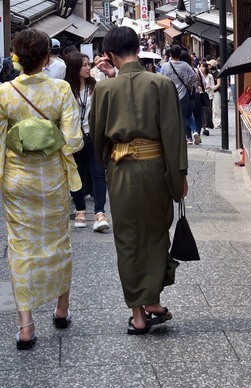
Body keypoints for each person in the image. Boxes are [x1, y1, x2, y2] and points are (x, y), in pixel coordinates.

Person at [0, 28, 83, 349]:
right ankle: (61, 309)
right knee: (57, 241)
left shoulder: (4, 94)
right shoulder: (60, 90)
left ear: (16, 57)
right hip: (52, 179)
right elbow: (74, 140)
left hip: (17, 179)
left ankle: (26, 327)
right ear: (46, 58)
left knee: (21, 247)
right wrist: (47, 140)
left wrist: (16, 148)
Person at [89, 25, 188, 334]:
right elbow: (174, 134)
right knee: (157, 233)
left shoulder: (104, 89)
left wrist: (112, 160)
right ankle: (154, 300)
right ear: (137, 48)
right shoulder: (161, 84)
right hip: (157, 166)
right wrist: (178, 175)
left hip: (122, 170)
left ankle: (139, 313)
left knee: (128, 239)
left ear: (109, 55)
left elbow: (96, 136)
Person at [65, 50, 110, 232]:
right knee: (77, 175)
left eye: (88, 64)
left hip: (93, 136)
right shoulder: (66, 89)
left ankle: (100, 213)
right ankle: (80, 211)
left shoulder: (96, 86)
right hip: (74, 138)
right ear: (74, 68)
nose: (88, 68)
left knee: (99, 173)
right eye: (83, 65)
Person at [161, 42, 199, 144]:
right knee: (183, 116)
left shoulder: (165, 66)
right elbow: (195, 77)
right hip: (183, 94)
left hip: (170, 95)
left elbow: (161, 79)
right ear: (180, 53)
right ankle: (184, 138)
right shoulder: (185, 65)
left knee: (172, 117)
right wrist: (187, 82)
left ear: (170, 55)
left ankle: (174, 137)